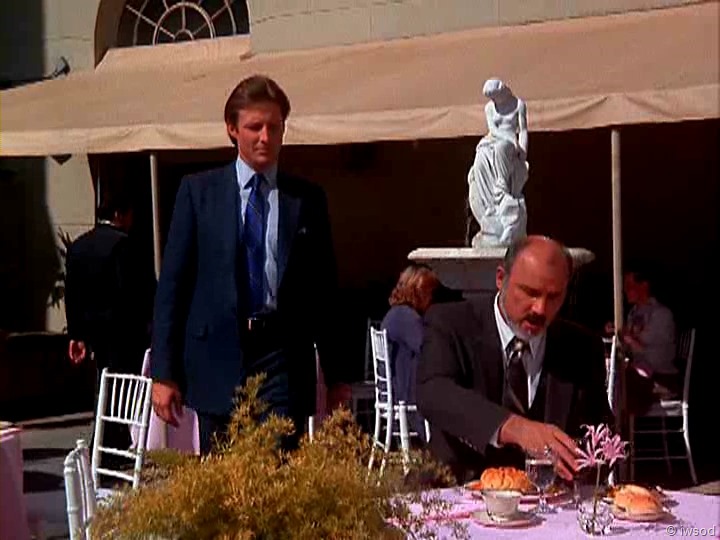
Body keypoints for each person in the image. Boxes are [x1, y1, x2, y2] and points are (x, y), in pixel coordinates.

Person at [150, 75, 349, 454]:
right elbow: (172, 287)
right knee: (225, 472)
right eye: (255, 127)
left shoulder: (305, 200)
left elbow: (324, 291)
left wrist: (338, 376)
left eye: (274, 127)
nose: (265, 137)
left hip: (282, 357)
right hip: (217, 355)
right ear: (232, 129)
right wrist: (164, 372)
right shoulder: (198, 193)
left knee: (277, 466)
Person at [417, 235, 612, 484]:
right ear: (501, 278)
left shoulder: (581, 346)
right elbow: (433, 391)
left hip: (549, 500)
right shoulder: (451, 323)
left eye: (554, 297)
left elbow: (601, 432)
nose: (540, 309)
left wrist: (587, 459)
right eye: (530, 292)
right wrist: (513, 427)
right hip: (454, 490)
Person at [65, 195, 156, 456]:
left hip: (93, 331)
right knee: (122, 390)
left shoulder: (79, 246)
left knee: (103, 384)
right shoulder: (124, 246)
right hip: (123, 331)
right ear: (119, 214)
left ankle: (104, 442)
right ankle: (112, 443)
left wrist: (76, 334)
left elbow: (72, 293)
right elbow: (135, 291)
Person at [467, 78, 529, 248]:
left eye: (495, 96)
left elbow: (523, 130)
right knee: (480, 159)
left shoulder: (518, 104)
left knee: (502, 148)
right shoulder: (489, 108)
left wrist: (523, 153)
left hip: (509, 145)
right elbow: (493, 130)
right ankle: (490, 206)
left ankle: (501, 191)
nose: (494, 101)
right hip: (494, 139)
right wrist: (507, 137)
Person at [380, 264, 441, 437]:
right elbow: (428, 349)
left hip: (396, 392)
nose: (431, 298)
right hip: (406, 398)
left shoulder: (396, 313)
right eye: (428, 292)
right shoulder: (407, 318)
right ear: (417, 291)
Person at [606, 267, 678, 407]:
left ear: (644, 285)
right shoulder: (633, 313)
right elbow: (630, 348)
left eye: (629, 285)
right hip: (640, 371)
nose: (625, 290)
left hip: (659, 376)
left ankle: (617, 417)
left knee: (620, 382)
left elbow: (652, 352)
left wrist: (626, 336)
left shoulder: (661, 314)